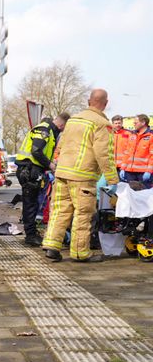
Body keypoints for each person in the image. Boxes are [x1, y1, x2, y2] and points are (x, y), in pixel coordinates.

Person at [41, 89, 119, 262]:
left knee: (59, 210)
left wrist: (56, 167)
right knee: (83, 214)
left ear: (88, 101)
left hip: (62, 173)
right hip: (82, 177)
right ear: (105, 103)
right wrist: (113, 179)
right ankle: (80, 252)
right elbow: (103, 154)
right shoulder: (101, 123)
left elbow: (60, 145)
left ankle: (51, 246)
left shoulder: (73, 120)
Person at [15, 113, 70, 246]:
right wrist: (50, 165)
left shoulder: (49, 130)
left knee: (32, 204)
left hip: (33, 170)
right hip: (29, 170)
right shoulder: (45, 130)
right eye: (64, 128)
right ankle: (30, 236)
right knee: (30, 204)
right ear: (62, 124)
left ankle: (32, 233)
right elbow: (36, 151)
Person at [120, 114, 153, 187]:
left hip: (143, 173)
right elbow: (127, 153)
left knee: (144, 196)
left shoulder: (151, 136)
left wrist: (149, 171)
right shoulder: (132, 135)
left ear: (143, 123)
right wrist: (123, 168)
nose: (134, 124)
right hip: (130, 172)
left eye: (136, 122)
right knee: (131, 196)